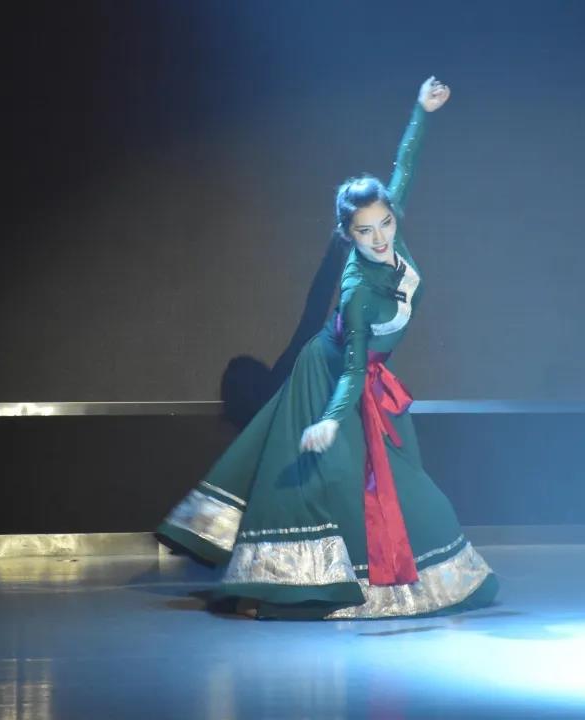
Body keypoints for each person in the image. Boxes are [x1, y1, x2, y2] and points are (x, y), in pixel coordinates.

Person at [157, 75, 499, 620]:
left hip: (368, 381)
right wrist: (332, 421)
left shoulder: (393, 238)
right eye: (365, 231)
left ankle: (360, 580)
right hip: (333, 377)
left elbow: (405, 166)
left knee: (395, 483)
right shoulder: (358, 290)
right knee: (334, 484)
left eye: (385, 223)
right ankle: (283, 589)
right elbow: (353, 369)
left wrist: (422, 110)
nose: (380, 237)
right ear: (348, 236)